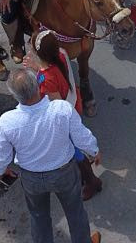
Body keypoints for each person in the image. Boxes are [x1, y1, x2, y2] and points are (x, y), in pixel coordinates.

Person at [0, 68, 102, 243]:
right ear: (37, 86)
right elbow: (82, 137)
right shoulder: (61, 108)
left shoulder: (6, 121)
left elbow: (1, 155)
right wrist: (94, 151)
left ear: (14, 95)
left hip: (32, 179)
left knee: (38, 217)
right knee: (75, 211)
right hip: (64, 173)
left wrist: (0, 171)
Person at [28, 30, 102, 199]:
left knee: (75, 152)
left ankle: (91, 181)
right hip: (74, 104)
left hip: (65, 119)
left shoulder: (45, 78)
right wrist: (37, 67)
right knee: (76, 150)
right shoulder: (61, 54)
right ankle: (88, 177)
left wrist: (37, 72)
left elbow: (56, 105)